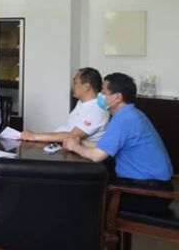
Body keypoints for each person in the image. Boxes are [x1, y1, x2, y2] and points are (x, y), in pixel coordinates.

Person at [63, 73, 173, 216]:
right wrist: (81, 142)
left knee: (85, 195)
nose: (99, 95)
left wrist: (74, 147)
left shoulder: (124, 120)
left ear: (117, 97)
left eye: (103, 91)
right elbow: (103, 146)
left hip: (149, 194)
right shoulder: (132, 114)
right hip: (156, 188)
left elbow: (97, 156)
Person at [22, 67, 109, 143]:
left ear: (87, 86)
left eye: (75, 83)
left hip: (77, 153)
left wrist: (35, 136)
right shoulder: (82, 102)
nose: (73, 86)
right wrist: (36, 136)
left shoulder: (97, 109)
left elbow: (73, 136)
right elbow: (68, 129)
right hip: (62, 145)